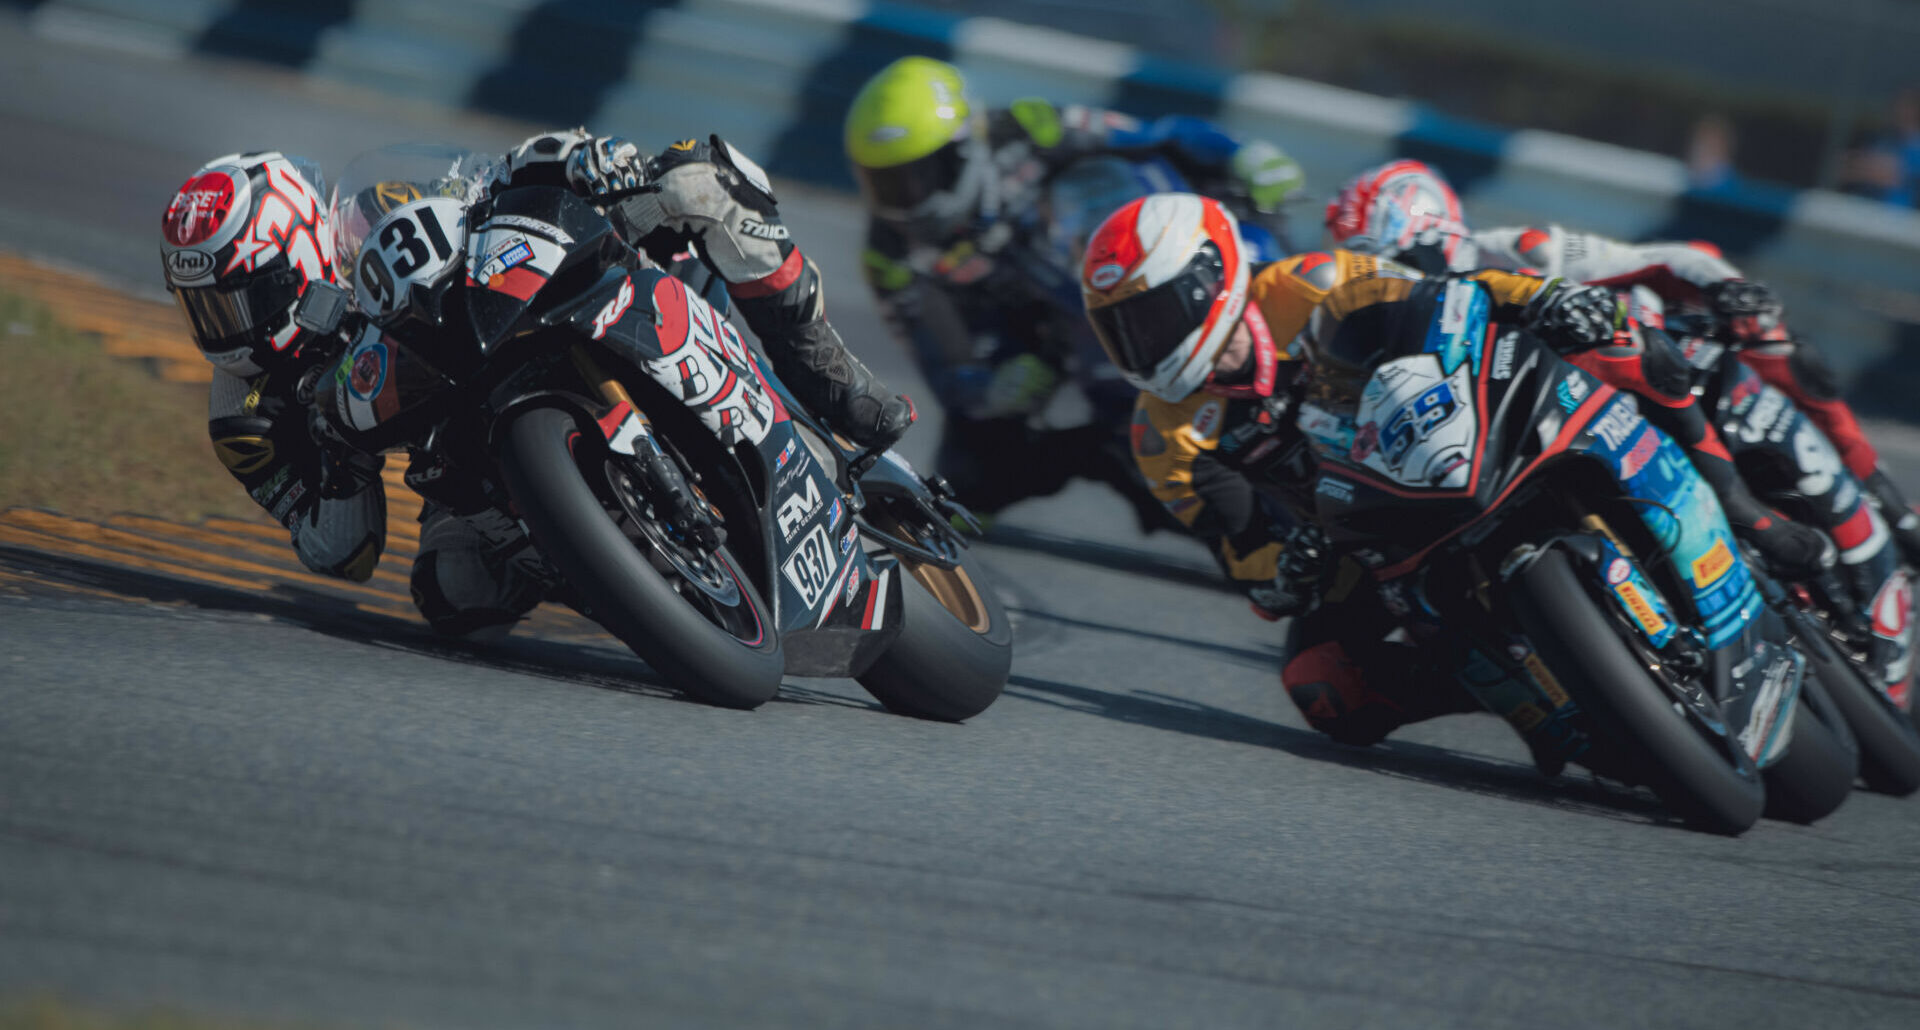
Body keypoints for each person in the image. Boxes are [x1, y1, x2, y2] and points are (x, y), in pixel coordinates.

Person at [1078, 192, 1826, 749]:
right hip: (1353, 533)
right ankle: (1529, 693)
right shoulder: (1163, 435)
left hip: (1451, 426)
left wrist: (1546, 299)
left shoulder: (1310, 281)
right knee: (1324, 689)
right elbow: (1238, 548)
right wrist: (1285, 563)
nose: (1143, 344)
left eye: (1154, 314)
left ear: (1213, 276)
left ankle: (1740, 507)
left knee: (1620, 339)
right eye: (1123, 330)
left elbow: (1450, 297)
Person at [159, 131, 913, 636]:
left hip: (542, 300)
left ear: (300, 248)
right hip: (466, 457)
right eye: (205, 310)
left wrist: (584, 160)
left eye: (244, 299)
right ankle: (620, 574)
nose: (231, 330)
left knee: (696, 182)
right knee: (453, 593)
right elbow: (342, 553)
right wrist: (333, 460)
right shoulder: (243, 413)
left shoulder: (370, 211)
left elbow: (484, 177)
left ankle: (833, 380)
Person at [1322, 158, 1920, 567]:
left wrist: (1726, 288)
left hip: (1661, 373)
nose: (1394, 277)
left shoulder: (1521, 250)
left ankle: (1885, 502)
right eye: (1372, 266)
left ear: (1430, 224)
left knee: (1773, 343)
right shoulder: (1401, 335)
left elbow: (1669, 257)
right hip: (1551, 440)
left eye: (1391, 256)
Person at [843, 55, 1305, 520]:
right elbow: (937, 356)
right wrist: (987, 387)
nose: (906, 198)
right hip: (1034, 338)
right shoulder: (889, 253)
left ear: (964, 146)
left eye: (919, 175)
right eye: (885, 182)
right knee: (968, 477)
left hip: (1121, 271)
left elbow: (1160, 136)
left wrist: (1238, 154)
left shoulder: (1028, 127)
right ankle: (1109, 450)